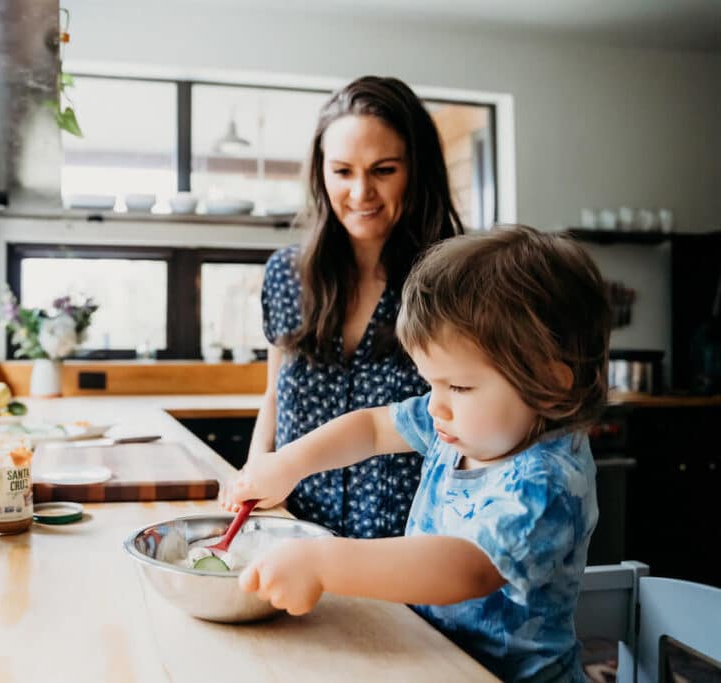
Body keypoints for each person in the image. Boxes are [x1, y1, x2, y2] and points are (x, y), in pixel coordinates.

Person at [225, 226, 610, 683]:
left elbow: (467, 568)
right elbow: (371, 427)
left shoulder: (547, 479)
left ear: (549, 384)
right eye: (431, 382)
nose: (434, 405)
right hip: (430, 659)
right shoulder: (464, 425)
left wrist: (323, 562)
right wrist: (287, 464)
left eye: (459, 386)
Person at [249, 75, 463, 539]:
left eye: (384, 170)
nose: (361, 192)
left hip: (408, 549)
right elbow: (274, 395)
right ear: (321, 173)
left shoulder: (456, 284)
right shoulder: (286, 274)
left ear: (417, 170)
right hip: (294, 534)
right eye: (343, 171)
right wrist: (255, 476)